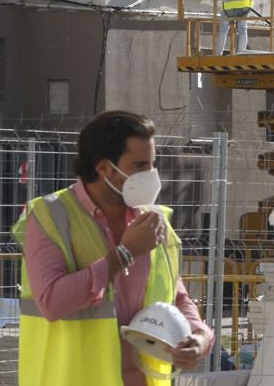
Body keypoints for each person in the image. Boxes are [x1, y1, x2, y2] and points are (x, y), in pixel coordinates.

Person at [13, 111, 212, 386]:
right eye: (140, 165)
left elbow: (176, 296)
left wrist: (200, 336)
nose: (151, 176)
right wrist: (124, 254)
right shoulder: (50, 217)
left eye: (152, 164)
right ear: (104, 168)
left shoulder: (154, 220)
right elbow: (52, 302)